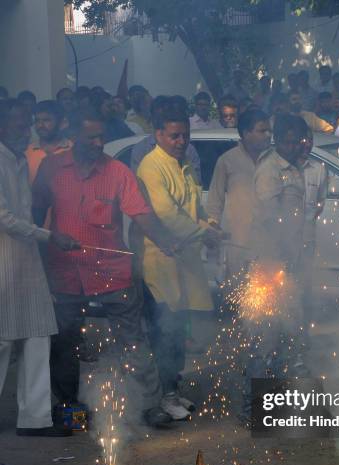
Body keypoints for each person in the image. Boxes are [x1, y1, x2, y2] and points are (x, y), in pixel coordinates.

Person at [32, 109, 176, 428]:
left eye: (102, 137)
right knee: (65, 341)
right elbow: (35, 214)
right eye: (91, 137)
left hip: (114, 271)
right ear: (73, 135)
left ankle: (150, 406)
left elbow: (141, 213)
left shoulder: (118, 172)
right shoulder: (51, 168)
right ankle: (68, 404)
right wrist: (42, 251)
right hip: (64, 273)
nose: (99, 143)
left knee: (133, 339)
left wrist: (166, 239)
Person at [137, 107, 223, 419]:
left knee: (178, 330)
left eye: (185, 135)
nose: (181, 140)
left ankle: (173, 390)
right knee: (165, 331)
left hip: (185, 261)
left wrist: (210, 224)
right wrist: (204, 232)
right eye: (174, 135)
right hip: (161, 263)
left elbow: (194, 205)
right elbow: (167, 214)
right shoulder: (151, 167)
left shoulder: (184, 163)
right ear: (158, 134)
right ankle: (163, 396)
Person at [0, 99, 76, 437]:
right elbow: (4, 219)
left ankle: (35, 418)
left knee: (37, 333)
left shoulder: (17, 159)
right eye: (16, 123)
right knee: (2, 340)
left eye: (25, 123)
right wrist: (49, 236)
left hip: (26, 260)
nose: (24, 129)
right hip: (4, 259)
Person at [241, 114, 309, 422]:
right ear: (278, 140)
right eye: (288, 141)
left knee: (287, 334)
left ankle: (275, 404)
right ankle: (251, 406)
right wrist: (282, 257)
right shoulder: (270, 170)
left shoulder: (295, 168)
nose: (294, 147)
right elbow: (270, 217)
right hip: (269, 265)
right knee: (264, 337)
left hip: (288, 263)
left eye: (298, 141)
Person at [206, 108, 272, 279]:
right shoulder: (227, 161)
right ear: (246, 133)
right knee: (235, 296)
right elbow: (215, 202)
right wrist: (213, 232)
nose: (268, 135)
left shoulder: (276, 160)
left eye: (269, 130)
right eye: (262, 131)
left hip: (269, 245)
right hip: (237, 245)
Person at [131, 96, 201, 183]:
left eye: (167, 115)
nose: (181, 141)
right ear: (152, 118)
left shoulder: (189, 150)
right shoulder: (141, 150)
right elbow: (138, 185)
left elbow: (195, 183)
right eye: (159, 117)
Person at [298, 128, 327, 335]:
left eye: (310, 139)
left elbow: (320, 203)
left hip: (307, 239)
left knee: (304, 288)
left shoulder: (319, 169)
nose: (306, 143)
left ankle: (302, 334)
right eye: (302, 138)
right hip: (281, 240)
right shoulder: (280, 168)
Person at [25, 101, 72, 184]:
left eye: (46, 120)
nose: (40, 125)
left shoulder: (73, 149)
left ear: (61, 123)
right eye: (37, 121)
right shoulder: (26, 152)